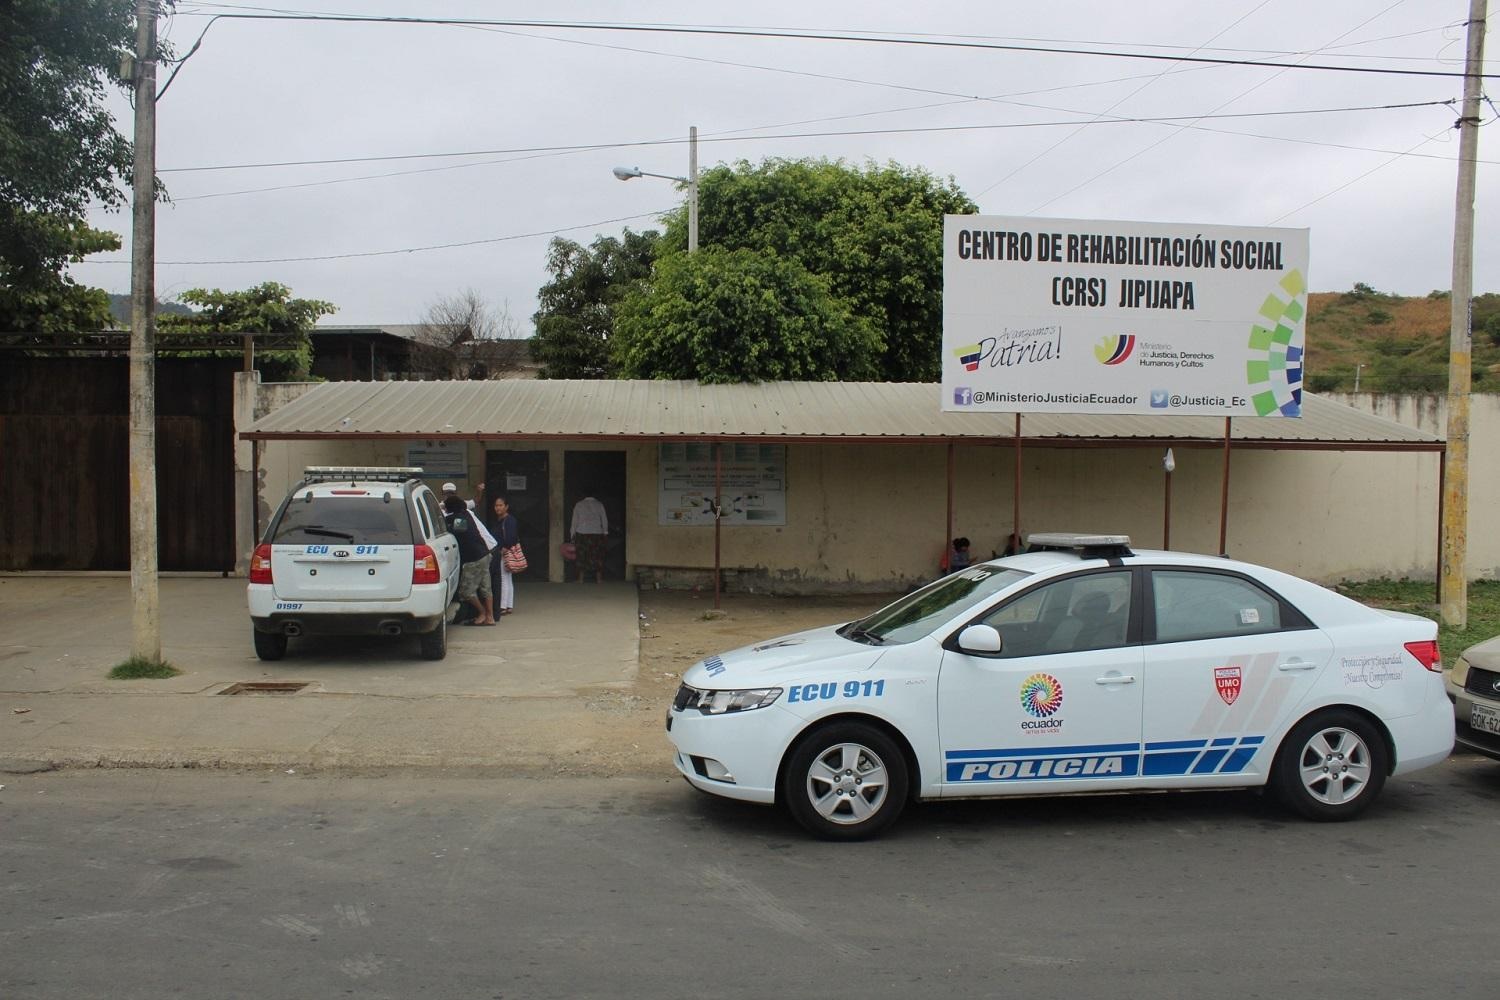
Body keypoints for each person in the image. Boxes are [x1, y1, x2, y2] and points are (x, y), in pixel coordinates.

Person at [443, 494, 494, 625]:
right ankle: (490, 617)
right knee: (485, 588)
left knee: (466, 592)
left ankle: (482, 613)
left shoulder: (457, 519)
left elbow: (456, 530)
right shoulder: (467, 514)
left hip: (474, 559)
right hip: (485, 554)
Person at [488, 494, 520, 616]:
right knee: (507, 578)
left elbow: (511, 537)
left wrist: (504, 549)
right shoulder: (500, 520)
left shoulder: (509, 520)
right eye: (496, 505)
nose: (498, 508)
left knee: (503, 578)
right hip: (502, 551)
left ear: (506, 507)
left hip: (504, 552)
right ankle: (508, 605)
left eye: (500, 505)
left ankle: (502, 606)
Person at [570, 489, 608, 584]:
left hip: (582, 533)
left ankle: (580, 579)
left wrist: (572, 535)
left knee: (582, 556)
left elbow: (574, 521)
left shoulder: (579, 504)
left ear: (583, 494)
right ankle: (599, 579)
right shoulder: (599, 504)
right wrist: (605, 533)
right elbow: (604, 520)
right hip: (597, 534)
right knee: (597, 556)